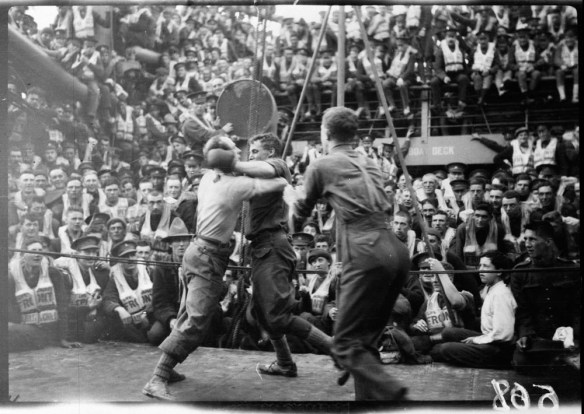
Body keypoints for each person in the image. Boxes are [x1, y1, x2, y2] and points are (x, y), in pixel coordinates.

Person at [143, 135, 288, 400]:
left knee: (187, 314)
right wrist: (266, 165)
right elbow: (280, 181)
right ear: (225, 158)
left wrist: (227, 154)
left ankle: (168, 369)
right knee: (197, 320)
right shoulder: (235, 185)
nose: (242, 155)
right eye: (235, 152)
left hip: (196, 251)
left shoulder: (209, 177)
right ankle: (158, 377)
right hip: (208, 256)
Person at [294, 106, 410, 401]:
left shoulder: (322, 164)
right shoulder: (369, 161)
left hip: (366, 249)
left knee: (344, 343)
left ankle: (393, 392)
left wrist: (288, 197)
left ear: (326, 133)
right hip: (395, 249)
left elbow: (299, 213)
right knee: (366, 340)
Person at [231, 133, 333, 376]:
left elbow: (265, 169)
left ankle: (337, 349)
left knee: (277, 316)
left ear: (271, 153)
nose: (252, 156)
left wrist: (234, 163)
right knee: (262, 313)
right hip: (262, 247)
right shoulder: (258, 172)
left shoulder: (279, 165)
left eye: (255, 151)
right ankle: (285, 363)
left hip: (272, 246)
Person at [510, 221, 580, 374]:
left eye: (533, 239)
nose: (527, 244)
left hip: (567, 335)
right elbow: (523, 311)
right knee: (522, 363)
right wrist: (525, 334)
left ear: (548, 241)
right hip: (538, 337)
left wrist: (575, 334)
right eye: (525, 239)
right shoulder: (520, 273)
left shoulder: (570, 270)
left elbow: (577, 308)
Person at [430, 251, 517, 368]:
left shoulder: (501, 294)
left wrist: (477, 340)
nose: (481, 270)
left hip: (498, 348)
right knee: (448, 332)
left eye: (486, 266)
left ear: (499, 271)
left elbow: (503, 335)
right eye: (480, 265)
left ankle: (494, 363)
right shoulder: (491, 289)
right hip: (489, 338)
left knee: (443, 349)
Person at [8, 238, 81, 352]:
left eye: (40, 251)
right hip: (24, 326)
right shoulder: (13, 275)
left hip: (47, 330)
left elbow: (62, 306)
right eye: (33, 251)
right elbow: (10, 305)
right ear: (23, 254)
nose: (37, 255)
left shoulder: (53, 273)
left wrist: (63, 338)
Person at [53, 234, 110, 343]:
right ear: (76, 254)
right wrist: (88, 307)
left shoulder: (96, 272)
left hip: (89, 322)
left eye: (94, 252)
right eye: (87, 252)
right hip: (72, 324)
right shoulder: (66, 275)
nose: (91, 256)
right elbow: (63, 308)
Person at [147, 217, 193, 346]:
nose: (181, 244)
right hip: (170, 313)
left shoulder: (196, 266)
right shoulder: (161, 268)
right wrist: (171, 319)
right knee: (155, 336)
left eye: (184, 240)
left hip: (191, 313)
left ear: (190, 242)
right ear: (171, 244)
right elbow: (160, 301)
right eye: (177, 240)